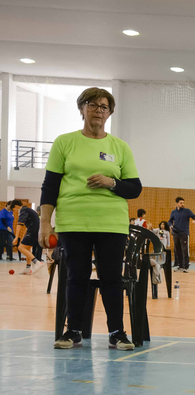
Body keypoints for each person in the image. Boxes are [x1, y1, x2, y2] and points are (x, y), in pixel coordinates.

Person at [40, 87, 143, 350]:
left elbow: (135, 188)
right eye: (93, 105)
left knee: (111, 277)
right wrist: (44, 222)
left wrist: (112, 182)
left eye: (104, 107)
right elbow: (50, 186)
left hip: (111, 223)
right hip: (74, 221)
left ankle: (117, 332)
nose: (99, 110)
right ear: (82, 108)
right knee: (76, 275)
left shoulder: (119, 147)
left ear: (110, 113)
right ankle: (73, 330)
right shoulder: (64, 142)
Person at [169, 197, 195, 272]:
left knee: (185, 250)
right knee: (177, 250)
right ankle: (180, 266)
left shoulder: (187, 211)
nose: (182, 204)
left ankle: (186, 267)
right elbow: (170, 221)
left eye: (183, 203)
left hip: (184, 233)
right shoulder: (173, 212)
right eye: (181, 203)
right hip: (175, 233)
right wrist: (170, 225)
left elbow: (194, 217)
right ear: (176, 203)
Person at [15, 203, 43, 274]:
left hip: (32, 232)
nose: (14, 211)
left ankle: (36, 262)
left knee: (20, 248)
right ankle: (28, 268)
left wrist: (16, 237)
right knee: (27, 249)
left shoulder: (23, 210)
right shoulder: (30, 211)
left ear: (16, 206)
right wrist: (23, 237)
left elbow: (20, 224)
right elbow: (27, 227)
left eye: (13, 209)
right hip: (37, 232)